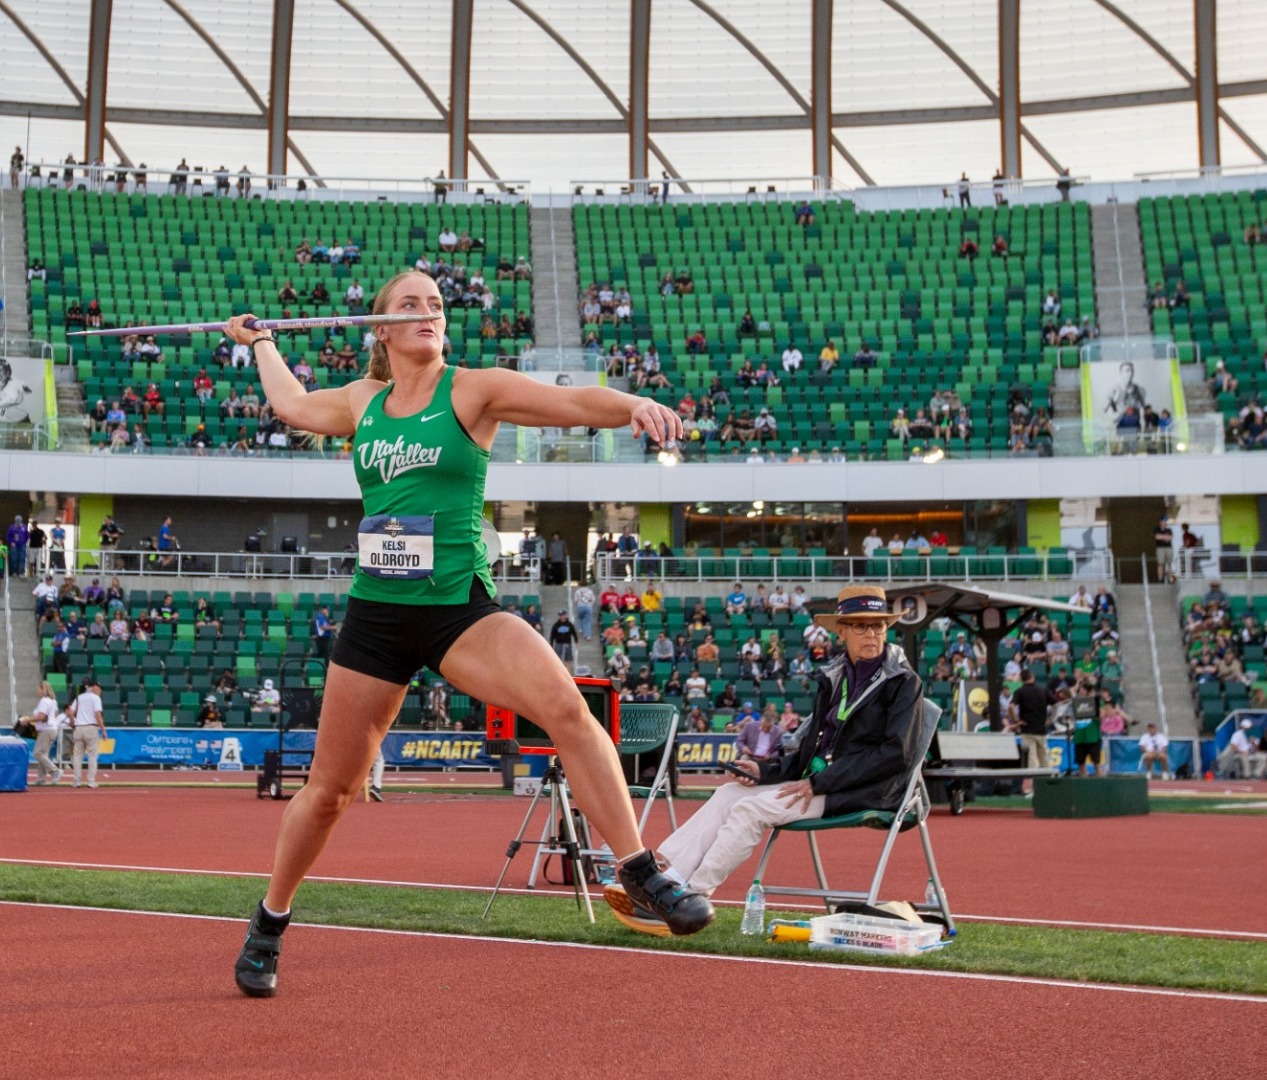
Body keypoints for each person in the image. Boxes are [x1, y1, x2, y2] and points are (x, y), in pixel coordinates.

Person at [222, 269, 707, 996]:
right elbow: (290, 403)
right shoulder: (364, 401)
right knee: (330, 791)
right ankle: (269, 922)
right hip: (376, 617)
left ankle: (639, 872)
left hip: (457, 611)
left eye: (436, 305)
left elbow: (571, 401)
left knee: (570, 711)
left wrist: (632, 403)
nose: (428, 312)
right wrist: (259, 342)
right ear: (380, 330)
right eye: (409, 305)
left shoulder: (472, 390)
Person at [611, 585, 920, 934]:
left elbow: (896, 754)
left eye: (878, 626)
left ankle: (689, 895)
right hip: (820, 781)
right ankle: (666, 877)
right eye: (861, 626)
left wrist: (820, 782)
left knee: (750, 810)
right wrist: (764, 771)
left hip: (864, 789)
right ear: (842, 631)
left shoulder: (903, 682)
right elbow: (808, 754)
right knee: (727, 795)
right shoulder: (835, 678)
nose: (872, 634)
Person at [1010, 668, 1050, 791]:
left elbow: (1011, 706)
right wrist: (1051, 719)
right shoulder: (1043, 691)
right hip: (1041, 730)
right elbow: (1058, 704)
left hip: (1027, 730)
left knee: (1031, 760)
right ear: (1032, 677)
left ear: (1022, 679)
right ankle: (1047, 786)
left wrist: (1017, 720)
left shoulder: (1020, 691)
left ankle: (1031, 788)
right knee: (1044, 758)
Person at [69, 678, 106, 788]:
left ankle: (76, 780)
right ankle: (90, 780)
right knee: (92, 755)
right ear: (93, 687)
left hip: (79, 727)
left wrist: (72, 723)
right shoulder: (95, 698)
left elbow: (71, 712)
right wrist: (103, 730)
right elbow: (98, 715)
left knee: (77, 755)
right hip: (91, 727)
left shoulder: (79, 697)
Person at [24, 683, 64, 785]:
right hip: (51, 728)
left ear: (43, 689)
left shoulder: (44, 701)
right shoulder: (53, 701)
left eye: (38, 688)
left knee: (37, 753)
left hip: (47, 729)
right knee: (43, 753)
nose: (37, 690)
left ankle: (54, 771)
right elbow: (54, 714)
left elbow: (41, 717)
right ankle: (41, 778)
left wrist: (28, 720)